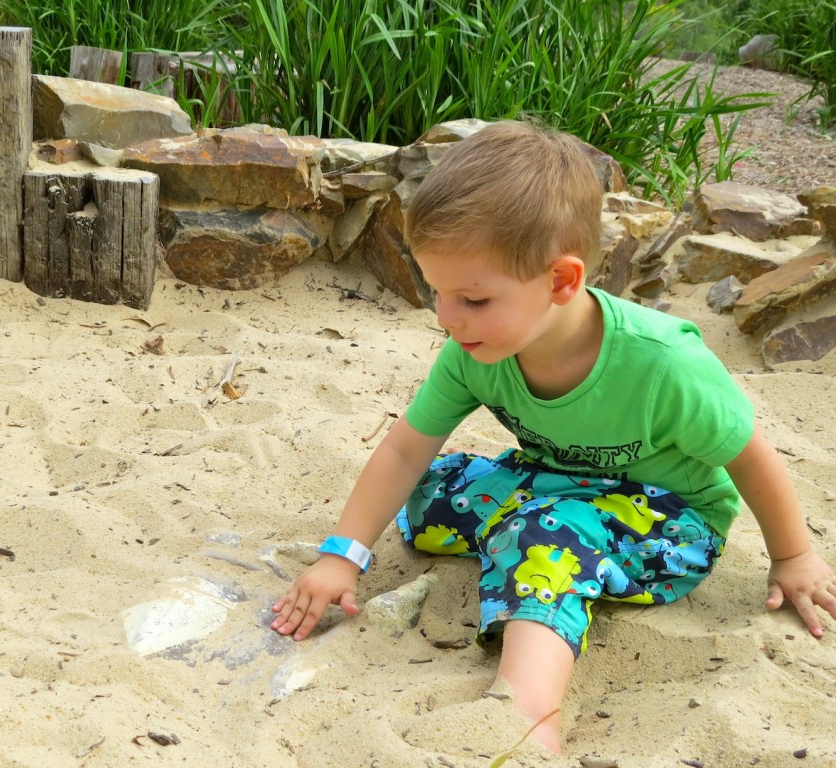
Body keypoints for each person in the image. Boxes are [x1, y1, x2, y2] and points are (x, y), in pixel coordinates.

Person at [269, 119, 836, 753]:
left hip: (673, 520)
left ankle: (527, 716)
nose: (446, 317)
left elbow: (750, 455)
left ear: (562, 281)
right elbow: (406, 447)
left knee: (545, 537)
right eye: (437, 291)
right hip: (559, 481)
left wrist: (792, 557)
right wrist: (342, 555)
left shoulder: (663, 366)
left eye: (473, 299)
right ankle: (532, 550)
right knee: (428, 495)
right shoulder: (473, 350)